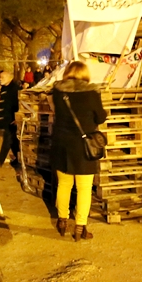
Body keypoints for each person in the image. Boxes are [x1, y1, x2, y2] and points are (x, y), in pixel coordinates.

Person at [50, 61, 106, 241]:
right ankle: (80, 227)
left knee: (64, 184)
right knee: (84, 188)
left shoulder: (58, 92)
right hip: (84, 147)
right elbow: (100, 116)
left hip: (62, 145)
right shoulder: (92, 92)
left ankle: (62, 220)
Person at [0, 70, 20, 167]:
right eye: (0, 77)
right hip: (6, 118)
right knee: (13, 141)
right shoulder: (5, 88)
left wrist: (16, 117)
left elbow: (17, 104)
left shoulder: (14, 89)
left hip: (11, 119)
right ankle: (18, 159)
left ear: (9, 77)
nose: (0, 79)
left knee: (8, 140)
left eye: (2, 77)